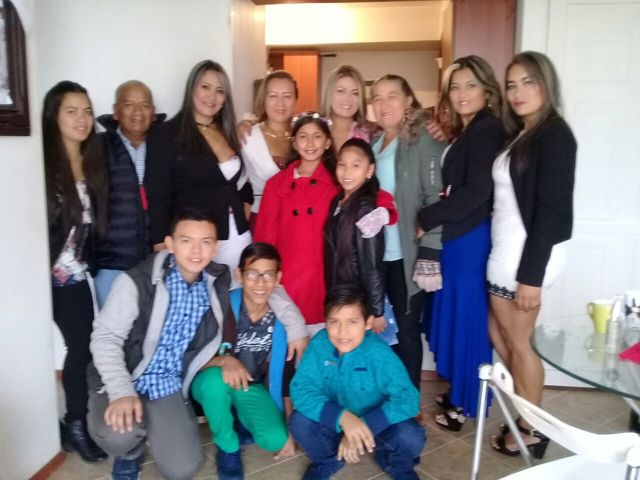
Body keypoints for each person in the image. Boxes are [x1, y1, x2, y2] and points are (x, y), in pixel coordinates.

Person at [88, 209, 308, 479]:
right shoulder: (137, 281)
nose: (196, 251)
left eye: (205, 242)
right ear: (170, 244)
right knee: (118, 434)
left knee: (182, 469)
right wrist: (121, 391)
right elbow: (105, 338)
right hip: (127, 374)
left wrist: (296, 327)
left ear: (215, 248)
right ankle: (129, 453)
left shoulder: (218, 281)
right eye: (186, 240)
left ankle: (153, 424)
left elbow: (264, 285)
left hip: (167, 384)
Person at [487, 51, 576, 458]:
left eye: (528, 81)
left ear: (546, 84)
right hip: (507, 249)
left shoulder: (555, 135)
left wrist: (531, 277)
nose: (518, 92)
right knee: (501, 335)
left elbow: (552, 211)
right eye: (511, 84)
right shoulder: (523, 133)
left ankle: (531, 430)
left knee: (521, 344)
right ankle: (528, 411)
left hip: (526, 256)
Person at [418, 56, 506, 431]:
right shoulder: (472, 129)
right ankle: (460, 390)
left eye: (470, 85)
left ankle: (466, 402)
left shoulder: (486, 129)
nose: (461, 93)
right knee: (457, 315)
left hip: (469, 237)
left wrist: (427, 217)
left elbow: (477, 191)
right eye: (455, 87)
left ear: (487, 89)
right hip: (462, 234)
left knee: (468, 321)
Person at [192, 242, 305, 479]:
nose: (260, 283)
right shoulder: (222, 307)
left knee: (276, 439)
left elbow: (287, 380)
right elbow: (192, 358)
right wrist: (224, 361)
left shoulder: (283, 320)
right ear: (239, 275)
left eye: (268, 275)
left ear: (277, 279)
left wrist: (291, 432)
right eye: (252, 274)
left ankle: (240, 418)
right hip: (214, 378)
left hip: (250, 387)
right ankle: (227, 448)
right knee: (214, 384)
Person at [289, 284, 425, 480]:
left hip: (377, 428)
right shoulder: (319, 344)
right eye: (334, 322)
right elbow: (301, 389)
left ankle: (396, 465)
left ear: (368, 323)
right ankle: (328, 460)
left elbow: (409, 399)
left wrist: (365, 424)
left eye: (352, 322)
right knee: (299, 422)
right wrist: (343, 418)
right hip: (334, 424)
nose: (342, 332)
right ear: (325, 322)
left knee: (411, 435)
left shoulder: (379, 353)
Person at [43, 80, 108, 463]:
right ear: (54, 116)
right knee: (80, 346)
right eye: (72, 111)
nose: (82, 119)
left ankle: (73, 423)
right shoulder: (41, 165)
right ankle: (76, 424)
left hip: (78, 273)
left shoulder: (91, 160)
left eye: (87, 111)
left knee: (83, 346)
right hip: (49, 275)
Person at [146, 60, 253, 285]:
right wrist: (161, 245)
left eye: (220, 91)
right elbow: (158, 196)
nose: (212, 96)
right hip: (196, 240)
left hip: (237, 235)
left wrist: (246, 201)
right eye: (205, 87)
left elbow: (239, 179)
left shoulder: (228, 130)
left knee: (236, 295)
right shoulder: (165, 134)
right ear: (191, 88)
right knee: (201, 297)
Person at [370, 74, 446, 388]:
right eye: (376, 97)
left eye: (392, 96)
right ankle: (389, 396)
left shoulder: (421, 138)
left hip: (408, 253)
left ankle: (409, 403)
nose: (383, 104)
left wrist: (430, 250)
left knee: (406, 330)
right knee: (383, 331)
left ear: (409, 100)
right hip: (378, 255)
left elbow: (435, 197)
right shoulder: (375, 143)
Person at [254, 113, 338, 333]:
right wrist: (264, 275)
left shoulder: (337, 183)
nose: (310, 143)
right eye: (303, 136)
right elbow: (264, 236)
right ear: (294, 142)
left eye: (317, 136)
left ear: (327, 142)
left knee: (319, 337)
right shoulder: (276, 184)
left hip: (321, 275)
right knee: (286, 334)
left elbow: (369, 193)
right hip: (286, 275)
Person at [94, 80, 164, 307]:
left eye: (144, 105)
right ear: (116, 112)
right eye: (129, 104)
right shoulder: (98, 146)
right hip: (112, 264)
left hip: (155, 264)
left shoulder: (164, 145)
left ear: (153, 113)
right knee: (112, 326)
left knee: (152, 326)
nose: (137, 112)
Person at [324, 138, 387, 334]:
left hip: (357, 299)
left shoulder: (366, 209)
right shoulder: (337, 200)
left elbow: (371, 262)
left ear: (369, 170)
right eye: (342, 164)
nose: (346, 172)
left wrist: (376, 311)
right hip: (341, 293)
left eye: (355, 166)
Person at [241, 70, 297, 220]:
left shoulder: (303, 136)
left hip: (298, 219)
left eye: (287, 96)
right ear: (263, 100)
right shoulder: (248, 137)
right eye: (273, 96)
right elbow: (236, 182)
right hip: (263, 217)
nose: (280, 103)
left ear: (295, 100)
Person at [320, 65, 372, 151]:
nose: (348, 99)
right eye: (340, 91)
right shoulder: (314, 129)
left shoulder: (371, 135)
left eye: (355, 93)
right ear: (329, 93)